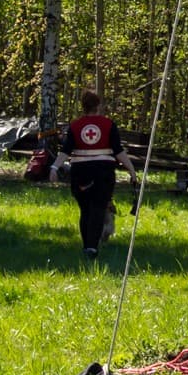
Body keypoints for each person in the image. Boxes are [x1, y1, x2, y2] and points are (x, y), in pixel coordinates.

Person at [55, 87, 138, 260]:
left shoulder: (75, 126)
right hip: (103, 172)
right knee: (98, 209)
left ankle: (87, 245)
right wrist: (131, 169)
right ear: (98, 106)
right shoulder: (108, 125)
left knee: (85, 210)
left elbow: (66, 150)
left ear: (83, 106)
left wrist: (54, 167)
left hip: (80, 173)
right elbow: (118, 151)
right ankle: (92, 247)